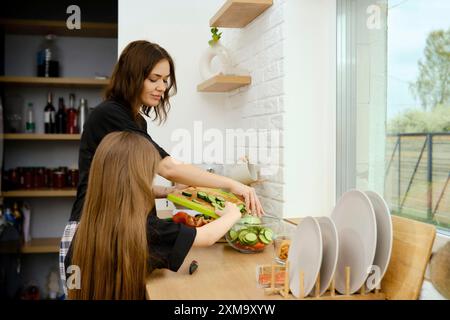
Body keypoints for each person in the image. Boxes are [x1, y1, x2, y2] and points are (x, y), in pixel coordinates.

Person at [63, 131, 242, 299]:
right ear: (139, 180)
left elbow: (74, 284)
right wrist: (232, 213)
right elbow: (207, 236)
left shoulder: (82, 235)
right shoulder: (147, 230)